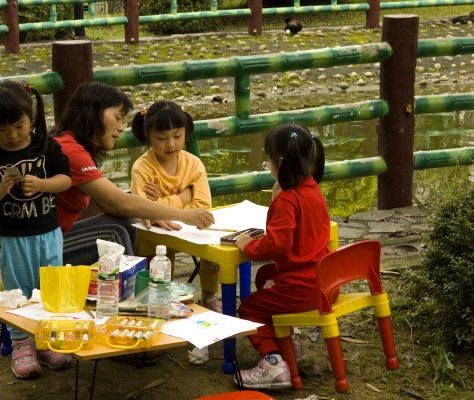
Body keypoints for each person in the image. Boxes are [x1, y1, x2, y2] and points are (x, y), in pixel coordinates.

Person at [0, 81, 72, 380]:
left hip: (49, 234)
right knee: (18, 290)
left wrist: (41, 184)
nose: (12, 135)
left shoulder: (46, 146)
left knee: (51, 288)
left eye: (19, 126)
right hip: (13, 238)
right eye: (2, 129)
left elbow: (65, 180)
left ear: (31, 117)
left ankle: (47, 339)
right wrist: (1, 189)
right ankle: (21, 344)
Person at [52, 82, 214, 266]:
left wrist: (151, 212)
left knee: (129, 221)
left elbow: (109, 205)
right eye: (118, 118)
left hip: (56, 238)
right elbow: (120, 201)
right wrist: (183, 214)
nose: (121, 127)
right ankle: (133, 283)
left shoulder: (73, 146)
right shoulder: (70, 151)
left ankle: (135, 279)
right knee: (114, 234)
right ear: (93, 113)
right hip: (42, 248)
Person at [234, 123, 330, 389]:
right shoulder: (313, 190)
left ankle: (273, 363)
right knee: (266, 275)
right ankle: (289, 340)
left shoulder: (288, 199)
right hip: (323, 283)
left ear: (278, 162)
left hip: (301, 288)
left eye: (268, 162)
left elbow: (277, 245)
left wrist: (248, 246)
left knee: (249, 308)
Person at [129, 100, 221, 312]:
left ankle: (209, 295)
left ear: (186, 132)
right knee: (159, 252)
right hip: (156, 232)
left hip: (189, 227)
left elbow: (203, 205)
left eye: (177, 136)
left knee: (212, 244)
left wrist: (161, 202)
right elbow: (144, 211)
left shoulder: (194, 164)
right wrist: (183, 197)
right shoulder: (142, 168)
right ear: (148, 136)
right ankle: (159, 296)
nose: (170, 144)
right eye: (161, 138)